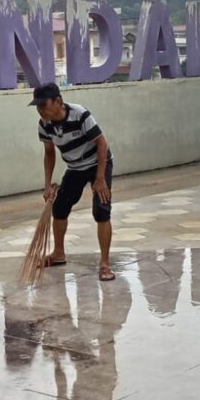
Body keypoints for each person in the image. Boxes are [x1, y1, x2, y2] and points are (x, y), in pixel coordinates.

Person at [31, 83, 115, 281]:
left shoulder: (80, 114)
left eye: (44, 105)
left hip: (97, 164)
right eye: (37, 106)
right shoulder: (44, 125)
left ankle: (105, 264)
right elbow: (49, 154)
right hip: (75, 167)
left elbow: (102, 143)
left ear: (58, 101)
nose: (40, 110)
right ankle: (58, 253)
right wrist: (47, 185)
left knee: (101, 210)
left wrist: (100, 178)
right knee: (59, 208)